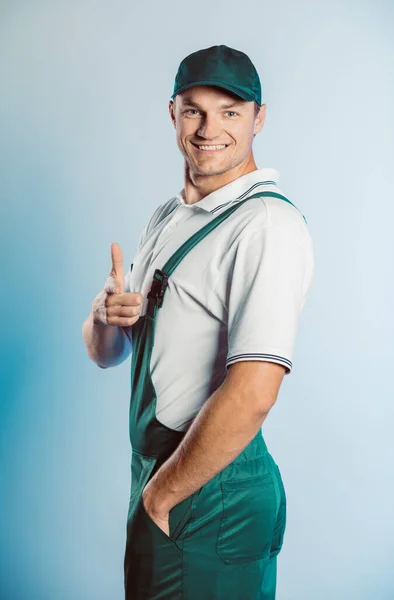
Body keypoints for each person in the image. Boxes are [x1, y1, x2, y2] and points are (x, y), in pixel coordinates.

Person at [82, 44, 314, 600]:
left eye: (230, 111)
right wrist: (104, 315)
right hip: (163, 473)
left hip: (210, 488)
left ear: (259, 118)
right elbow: (105, 352)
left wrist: (162, 498)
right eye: (194, 110)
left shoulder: (266, 226)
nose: (210, 128)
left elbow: (256, 390)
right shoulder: (168, 215)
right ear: (173, 114)